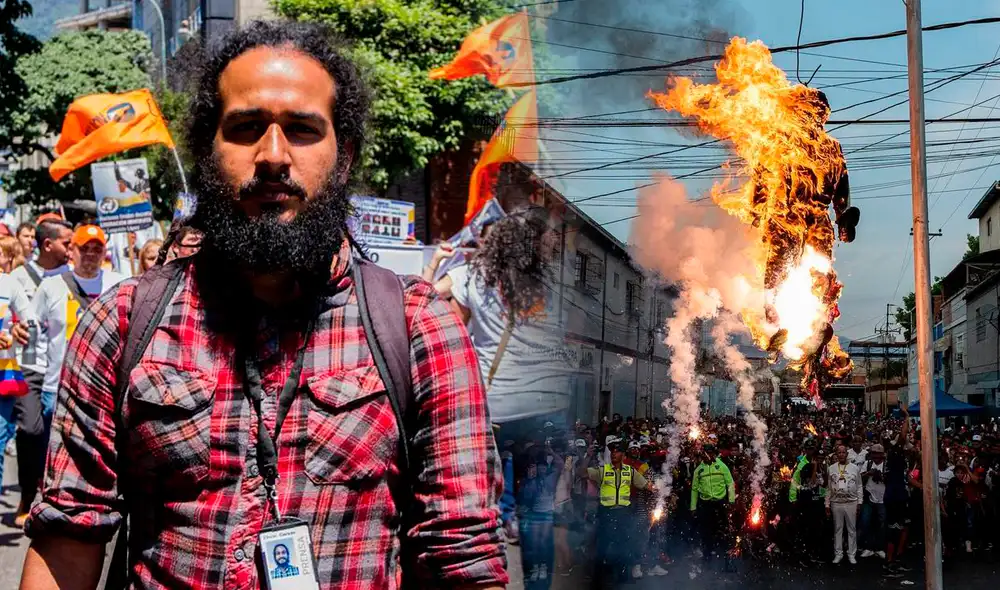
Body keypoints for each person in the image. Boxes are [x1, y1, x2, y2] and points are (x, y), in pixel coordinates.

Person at [20, 21, 505, 590]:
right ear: (207, 150)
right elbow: (68, 537)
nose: (273, 156)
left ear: (343, 156)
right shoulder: (123, 322)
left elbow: (461, 555)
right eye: (247, 128)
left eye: (301, 130)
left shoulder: (420, 327)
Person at [6, 218, 72, 526]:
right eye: (67, 244)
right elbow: (10, 314)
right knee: (31, 430)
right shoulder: (18, 277)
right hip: (28, 366)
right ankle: (26, 493)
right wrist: (14, 327)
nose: (72, 250)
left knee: (56, 436)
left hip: (61, 369)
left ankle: (50, 497)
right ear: (48, 245)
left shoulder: (71, 279)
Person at [581, 439, 654, 585]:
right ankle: (598, 580)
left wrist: (662, 487)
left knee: (624, 546)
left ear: (623, 454)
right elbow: (582, 473)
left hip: (623, 515)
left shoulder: (630, 471)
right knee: (602, 548)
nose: (614, 453)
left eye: (617, 451)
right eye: (612, 451)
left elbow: (648, 486)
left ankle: (623, 578)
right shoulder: (603, 470)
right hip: (606, 515)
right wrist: (587, 457)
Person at [690, 443, 737, 568]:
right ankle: (707, 557)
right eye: (705, 453)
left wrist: (731, 501)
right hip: (705, 505)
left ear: (714, 454)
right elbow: (694, 489)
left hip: (720, 504)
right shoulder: (698, 470)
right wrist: (693, 507)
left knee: (725, 531)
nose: (707, 455)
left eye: (710, 453)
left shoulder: (722, 466)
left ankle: (728, 559)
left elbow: (730, 483)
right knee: (706, 532)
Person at [827, 444, 863, 564]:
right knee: (838, 528)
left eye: (843, 452)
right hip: (836, 502)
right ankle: (838, 553)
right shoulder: (831, 468)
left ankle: (851, 554)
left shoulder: (854, 468)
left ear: (847, 454)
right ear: (836, 454)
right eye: (839, 453)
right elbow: (828, 487)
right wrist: (827, 504)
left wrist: (860, 502)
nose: (841, 455)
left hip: (851, 502)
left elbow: (859, 486)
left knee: (851, 529)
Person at [859, 443, 888, 559]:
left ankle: (880, 547)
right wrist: (868, 474)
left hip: (883, 499)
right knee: (866, 523)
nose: (876, 456)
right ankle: (869, 547)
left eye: (878, 454)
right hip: (869, 498)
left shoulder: (886, 465)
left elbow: (889, 480)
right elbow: (859, 478)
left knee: (882, 524)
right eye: (874, 453)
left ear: (882, 455)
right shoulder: (867, 464)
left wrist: (880, 477)